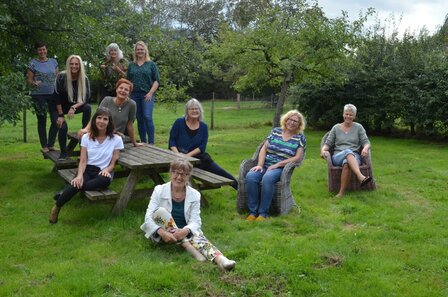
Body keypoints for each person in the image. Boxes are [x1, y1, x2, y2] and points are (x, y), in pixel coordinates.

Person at [140, 159, 236, 271]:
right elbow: (148, 217)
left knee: (198, 237)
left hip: (184, 230)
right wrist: (162, 233)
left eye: (184, 174)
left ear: (188, 176)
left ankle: (221, 260)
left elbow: (196, 221)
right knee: (160, 212)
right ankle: (187, 245)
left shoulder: (194, 194)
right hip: (164, 231)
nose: (179, 177)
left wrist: (184, 231)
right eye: (176, 173)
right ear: (171, 173)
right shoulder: (159, 190)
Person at [49, 107, 124, 224]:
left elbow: (114, 162)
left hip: (103, 172)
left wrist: (107, 169)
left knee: (100, 181)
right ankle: (57, 207)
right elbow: (83, 161)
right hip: (88, 170)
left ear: (109, 122)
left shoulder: (116, 139)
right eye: (99, 118)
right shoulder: (86, 137)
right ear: (94, 120)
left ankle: (65, 193)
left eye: (105, 119)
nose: (101, 121)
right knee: (77, 182)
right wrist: (79, 175)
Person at [245, 110, 306, 221]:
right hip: (265, 164)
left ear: (299, 124)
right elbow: (264, 148)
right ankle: (253, 212)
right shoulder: (276, 132)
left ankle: (263, 214)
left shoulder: (299, 137)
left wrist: (278, 164)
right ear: (286, 120)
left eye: (295, 121)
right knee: (251, 176)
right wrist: (260, 164)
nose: (292, 123)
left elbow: (298, 157)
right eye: (290, 120)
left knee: (267, 178)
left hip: (281, 168)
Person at [168, 98, 238, 190]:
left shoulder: (203, 127)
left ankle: (242, 190)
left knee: (222, 173)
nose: (194, 111)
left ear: (200, 111)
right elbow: (172, 141)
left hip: (199, 159)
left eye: (197, 108)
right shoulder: (179, 122)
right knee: (180, 175)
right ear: (187, 111)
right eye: (191, 108)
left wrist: (187, 156)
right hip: (177, 157)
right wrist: (178, 155)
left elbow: (202, 147)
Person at [320, 104, 372, 198]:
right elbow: (328, 143)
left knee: (347, 163)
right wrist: (323, 150)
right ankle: (361, 177)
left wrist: (365, 148)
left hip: (355, 157)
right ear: (343, 114)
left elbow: (366, 142)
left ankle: (341, 193)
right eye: (346, 114)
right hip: (337, 156)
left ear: (354, 116)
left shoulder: (359, 127)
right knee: (348, 151)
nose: (348, 116)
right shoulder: (336, 128)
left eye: (350, 115)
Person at [50, 55, 92, 160]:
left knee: (87, 108)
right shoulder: (61, 76)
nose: (74, 66)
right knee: (63, 126)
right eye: (71, 64)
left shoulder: (84, 79)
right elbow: (56, 97)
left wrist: (74, 107)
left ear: (80, 65)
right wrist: (60, 115)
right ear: (68, 65)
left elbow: (85, 99)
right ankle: (63, 153)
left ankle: (84, 132)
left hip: (71, 105)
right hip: (57, 106)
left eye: (76, 64)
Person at [79, 78, 142, 147]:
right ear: (116, 89)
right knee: (83, 136)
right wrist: (86, 129)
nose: (123, 91)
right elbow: (95, 116)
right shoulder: (107, 100)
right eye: (121, 88)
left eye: (126, 89)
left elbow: (130, 125)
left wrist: (134, 143)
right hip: (101, 131)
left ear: (129, 93)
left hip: (116, 136)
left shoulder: (132, 104)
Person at [26, 41, 59, 153]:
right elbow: (29, 80)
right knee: (42, 120)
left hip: (53, 95)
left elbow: (57, 78)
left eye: (43, 49)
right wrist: (33, 83)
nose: (42, 51)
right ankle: (44, 145)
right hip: (38, 95)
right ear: (37, 51)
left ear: (46, 50)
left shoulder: (53, 62)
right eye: (40, 49)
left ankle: (51, 144)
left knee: (56, 120)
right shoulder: (33, 63)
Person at [127, 41, 160, 144]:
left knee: (147, 116)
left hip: (147, 94)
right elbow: (128, 81)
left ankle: (151, 143)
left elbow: (156, 80)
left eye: (142, 49)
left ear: (145, 51)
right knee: (139, 118)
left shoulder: (151, 64)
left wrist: (150, 93)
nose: (140, 51)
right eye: (138, 49)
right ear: (135, 51)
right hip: (134, 95)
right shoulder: (131, 65)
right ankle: (143, 141)